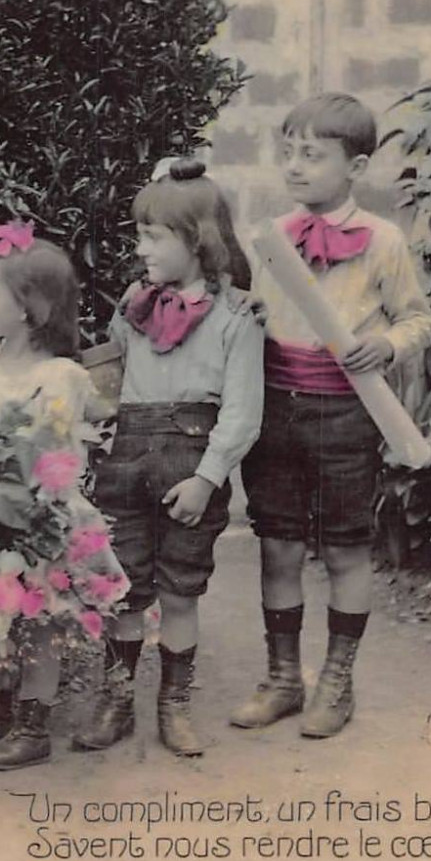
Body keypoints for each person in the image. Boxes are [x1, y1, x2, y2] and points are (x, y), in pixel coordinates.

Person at [235, 92, 431, 739]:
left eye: (313, 156)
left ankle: (336, 681)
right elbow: (253, 316)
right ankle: (283, 678)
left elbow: (417, 318)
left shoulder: (383, 241)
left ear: (356, 166)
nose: (295, 167)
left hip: (347, 414)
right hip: (277, 411)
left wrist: (387, 343)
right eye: (288, 153)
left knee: (346, 548)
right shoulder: (270, 239)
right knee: (278, 546)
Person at [72, 159, 265, 757]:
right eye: (140, 235)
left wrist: (208, 480)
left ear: (199, 240)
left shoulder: (236, 319)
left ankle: (174, 704)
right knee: (123, 589)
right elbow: (108, 389)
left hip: (191, 469)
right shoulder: (134, 307)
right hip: (125, 465)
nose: (140, 248)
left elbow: (241, 413)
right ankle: (118, 697)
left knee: (180, 591)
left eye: (153, 237)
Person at [0, 228, 121, 771]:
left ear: (30, 309)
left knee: (36, 614)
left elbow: (52, 453)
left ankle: (34, 721)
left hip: (37, 511)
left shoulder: (59, 376)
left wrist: (12, 491)